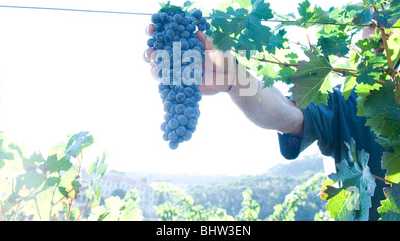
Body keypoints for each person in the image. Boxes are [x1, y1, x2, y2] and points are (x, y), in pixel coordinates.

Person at [144, 23, 386, 221]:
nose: (378, 32)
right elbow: (286, 114)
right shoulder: (349, 104)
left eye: (386, 19)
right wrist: (233, 79)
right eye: (371, 23)